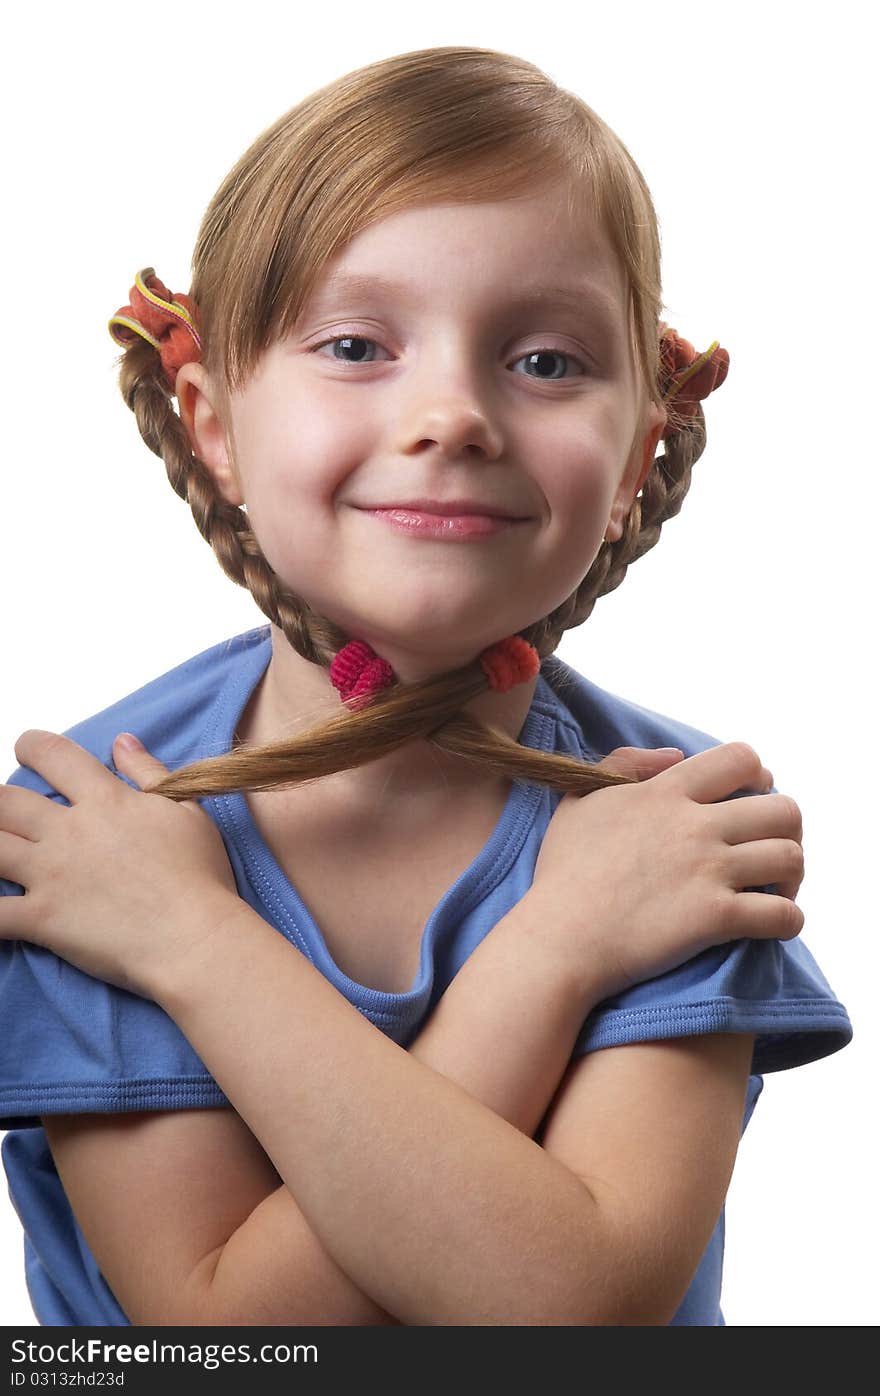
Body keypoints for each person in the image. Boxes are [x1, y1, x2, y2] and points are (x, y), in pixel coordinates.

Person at [0, 45, 852, 1328]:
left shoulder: (673, 828)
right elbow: (228, 1337)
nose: (453, 413)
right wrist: (560, 950)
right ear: (213, 423)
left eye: (549, 362)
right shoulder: (100, 830)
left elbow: (572, 1303)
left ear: (638, 452)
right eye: (355, 345)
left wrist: (188, 943)